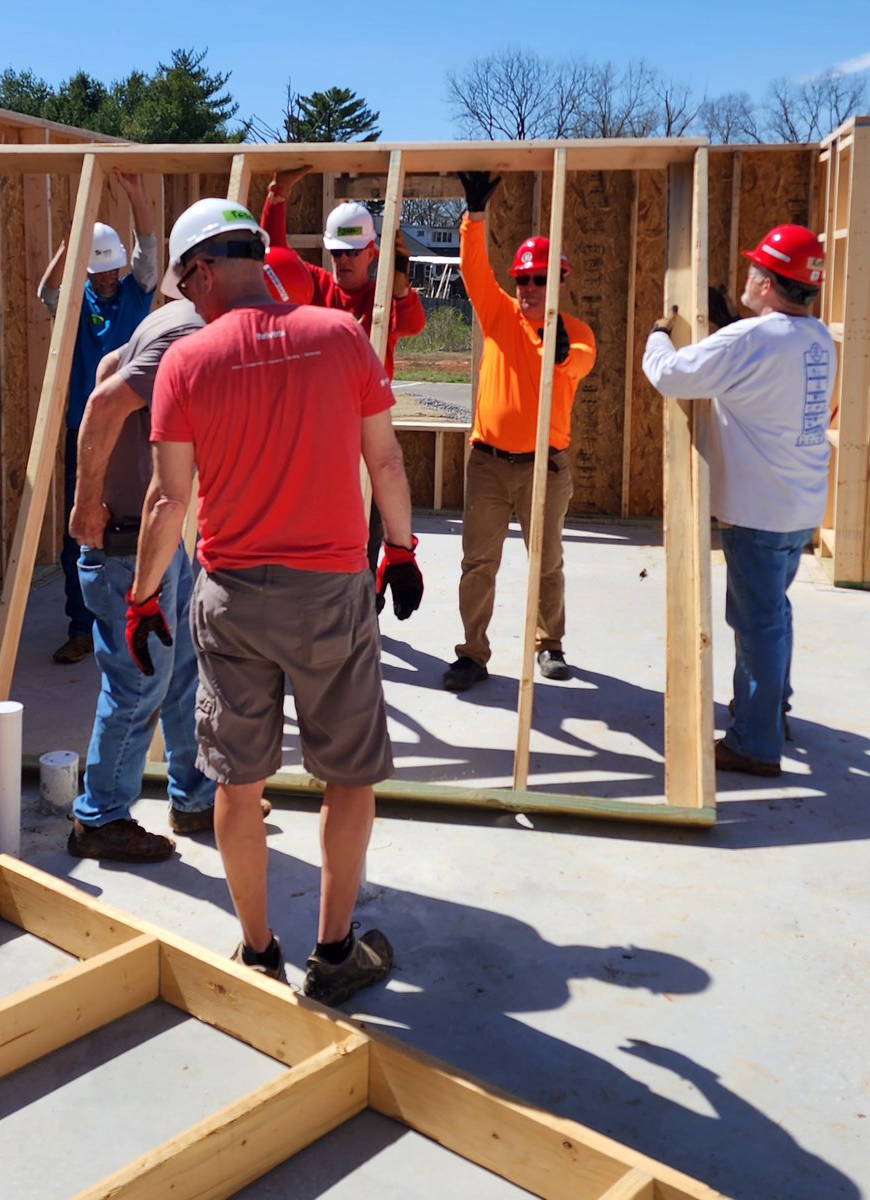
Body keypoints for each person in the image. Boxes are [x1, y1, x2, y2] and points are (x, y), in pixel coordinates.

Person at [127, 197, 423, 1006]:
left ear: (201, 271)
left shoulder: (188, 362)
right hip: (331, 593)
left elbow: (166, 501)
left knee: (238, 782)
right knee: (348, 776)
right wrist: (399, 548)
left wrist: (143, 597)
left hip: (231, 600)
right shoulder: (340, 338)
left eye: (188, 288)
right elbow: (387, 463)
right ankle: (333, 953)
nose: (190, 303)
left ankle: (258, 953)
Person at [642, 224, 833, 778]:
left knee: (756, 622)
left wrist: (660, 333)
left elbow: (672, 376)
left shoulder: (751, 340)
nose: (748, 275)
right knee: (774, 610)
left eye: (757, 269)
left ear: (771, 281)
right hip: (800, 506)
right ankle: (774, 708)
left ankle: (754, 742)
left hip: (759, 511)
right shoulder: (815, 336)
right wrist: (728, 330)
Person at [63, 300, 214, 862]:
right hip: (127, 546)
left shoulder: (172, 320)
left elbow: (109, 368)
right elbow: (103, 401)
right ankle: (98, 818)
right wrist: (85, 505)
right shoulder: (188, 335)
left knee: (178, 671)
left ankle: (194, 798)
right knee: (138, 682)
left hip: (154, 539)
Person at [443, 171, 597, 693]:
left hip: (542, 467)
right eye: (524, 279)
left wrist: (556, 350)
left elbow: (578, 364)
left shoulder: (575, 334)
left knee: (546, 561)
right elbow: (472, 269)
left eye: (540, 280)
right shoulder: (499, 314)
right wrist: (474, 217)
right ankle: (473, 652)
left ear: (558, 281)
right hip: (487, 463)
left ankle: (548, 644)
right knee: (478, 562)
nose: (529, 288)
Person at [260, 169, 426, 567]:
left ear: (372, 252)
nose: (344, 260)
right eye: (338, 252)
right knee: (311, 539)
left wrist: (401, 286)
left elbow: (415, 323)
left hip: (366, 435)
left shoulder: (383, 299)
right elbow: (274, 258)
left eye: (353, 252)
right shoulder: (314, 287)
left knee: (363, 541)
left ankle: (364, 615)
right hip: (315, 434)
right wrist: (276, 199)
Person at [38, 172, 156, 665]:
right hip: (83, 429)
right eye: (98, 272)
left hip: (134, 429)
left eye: (112, 271)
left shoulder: (137, 289)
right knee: (81, 526)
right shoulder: (76, 299)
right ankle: (81, 627)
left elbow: (149, 246)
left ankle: (140, 611)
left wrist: (134, 193)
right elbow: (47, 292)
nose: (107, 279)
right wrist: (68, 248)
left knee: (142, 520)